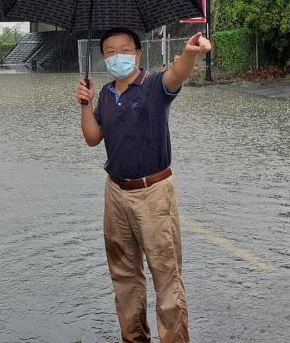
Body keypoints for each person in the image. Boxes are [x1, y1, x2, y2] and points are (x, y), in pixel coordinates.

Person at [75, 28, 212, 343]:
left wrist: (190, 52)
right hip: (116, 192)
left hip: (153, 193)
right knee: (124, 276)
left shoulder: (153, 86)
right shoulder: (107, 94)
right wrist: (84, 103)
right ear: (103, 58)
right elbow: (93, 138)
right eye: (109, 51)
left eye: (124, 49)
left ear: (137, 53)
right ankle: (133, 337)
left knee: (166, 276)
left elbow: (176, 75)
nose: (117, 56)